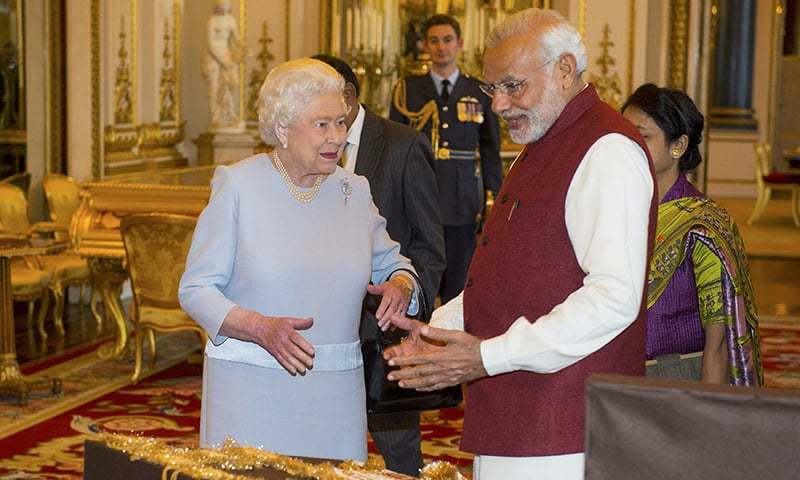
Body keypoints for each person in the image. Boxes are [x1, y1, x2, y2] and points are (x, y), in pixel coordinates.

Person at [384, 8, 657, 479]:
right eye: (493, 89)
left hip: (565, 428)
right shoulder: (543, 143)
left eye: (513, 85)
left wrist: (487, 356)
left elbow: (615, 298)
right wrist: (435, 328)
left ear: (565, 70)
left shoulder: (607, 150)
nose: (498, 105)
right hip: (516, 416)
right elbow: (514, 274)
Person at [179, 58, 421, 462]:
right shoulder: (238, 185)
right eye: (321, 124)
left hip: (336, 398)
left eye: (341, 123)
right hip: (251, 393)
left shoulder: (354, 190)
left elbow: (397, 264)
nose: (337, 137)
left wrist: (400, 285)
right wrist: (259, 327)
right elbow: (195, 289)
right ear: (282, 130)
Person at [312, 54, 446, 476]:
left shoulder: (403, 145)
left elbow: (429, 246)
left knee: (399, 450)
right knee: (319, 446)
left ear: (348, 97)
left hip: (383, 327)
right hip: (317, 330)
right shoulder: (298, 151)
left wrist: (407, 307)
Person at [621, 83, 762, 385]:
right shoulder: (615, 211)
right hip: (615, 374)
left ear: (678, 146)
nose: (628, 144)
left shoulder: (703, 226)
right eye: (624, 134)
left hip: (676, 377)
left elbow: (720, 342)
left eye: (642, 136)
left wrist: (706, 414)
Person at [389, 14, 502, 303]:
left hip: (462, 196)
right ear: (425, 45)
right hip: (417, 194)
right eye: (434, 41)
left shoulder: (479, 91)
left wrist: (495, 197)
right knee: (419, 272)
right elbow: (394, 146)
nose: (441, 47)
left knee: (458, 278)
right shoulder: (407, 90)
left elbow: (490, 149)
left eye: (448, 40)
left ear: (460, 43)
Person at [204, 0, 246, 130]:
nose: (224, 7)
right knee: (215, 89)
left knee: (232, 85)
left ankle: (229, 116)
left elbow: (236, 39)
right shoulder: (211, 21)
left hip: (227, 56)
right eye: (222, 4)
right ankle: (216, 119)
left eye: (226, 4)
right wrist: (223, 61)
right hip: (213, 59)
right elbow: (210, 44)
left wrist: (244, 47)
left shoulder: (231, 20)